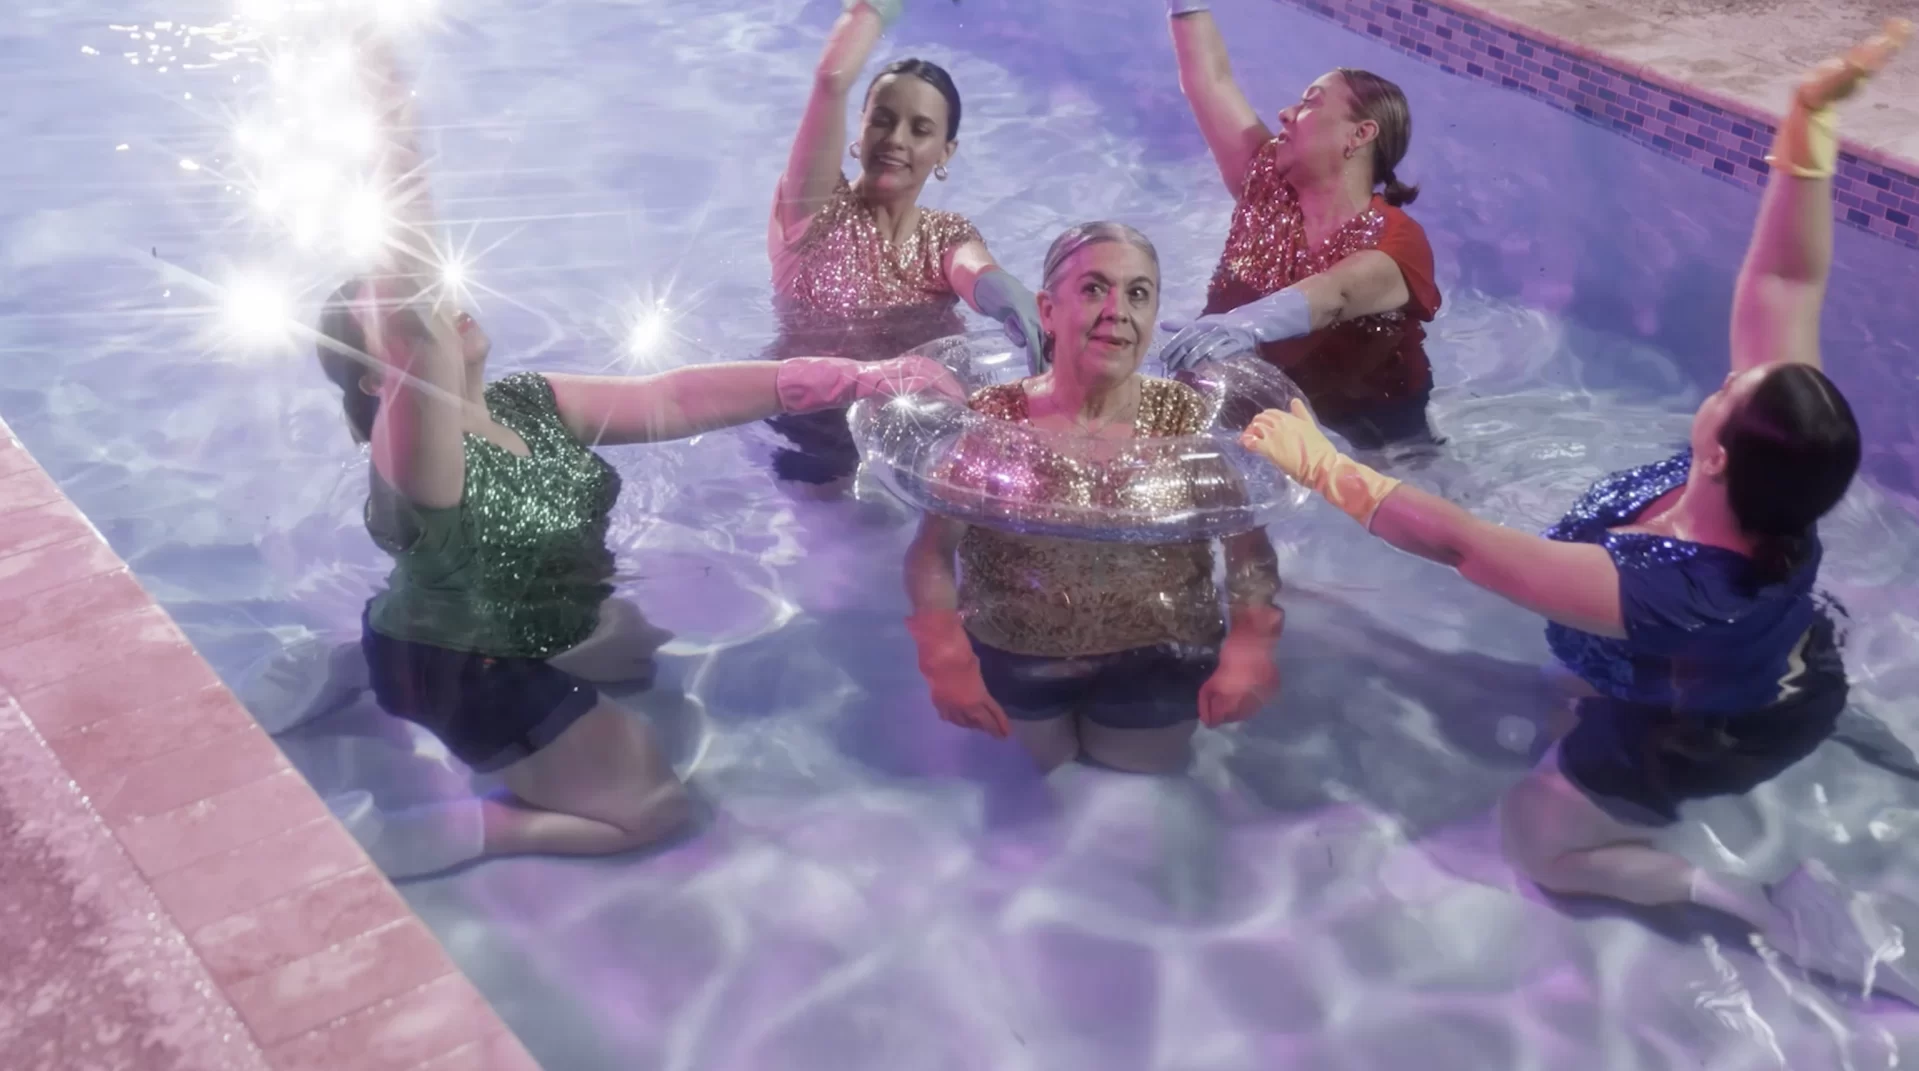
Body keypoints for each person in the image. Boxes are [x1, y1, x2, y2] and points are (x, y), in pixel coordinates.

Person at [1237, 22, 1916, 999]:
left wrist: (1319, 463)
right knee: (1728, 684)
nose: (1732, 372)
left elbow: (1461, 547)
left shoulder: (1671, 591)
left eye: (1732, 387)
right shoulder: (1772, 478)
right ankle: (1842, 723)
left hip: (1699, 724)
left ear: (1716, 452)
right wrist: (1805, 127)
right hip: (1774, 655)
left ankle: (1759, 908)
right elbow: (1781, 280)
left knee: (1539, 838)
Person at [314, 36, 964, 875]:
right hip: (466, 670)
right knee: (657, 807)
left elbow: (678, 397)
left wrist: (855, 374)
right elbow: (405, 301)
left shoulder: (527, 399)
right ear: (386, 382)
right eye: (413, 323)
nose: (444, 306)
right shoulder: (417, 464)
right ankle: (475, 827)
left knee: (633, 650)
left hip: (519, 620)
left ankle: (357, 664)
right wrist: (389, 114)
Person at [904, 223, 1284, 774]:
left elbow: (1248, 550)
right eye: (1092, 289)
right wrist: (943, 656)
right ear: (1048, 310)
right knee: (1027, 797)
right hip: (1019, 656)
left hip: (1160, 656)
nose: (1117, 310)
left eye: (1137, 293)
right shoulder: (996, 420)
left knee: (1128, 805)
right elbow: (932, 553)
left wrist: (1252, 644)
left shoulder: (1184, 422)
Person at [766, 0, 1044, 487]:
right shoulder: (809, 214)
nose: (895, 138)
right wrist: (874, 10)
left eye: (920, 130)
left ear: (945, 152)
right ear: (860, 128)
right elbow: (831, 81)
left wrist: (1011, 300)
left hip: (926, 425)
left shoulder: (946, 234)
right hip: (813, 426)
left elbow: (975, 271)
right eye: (882, 120)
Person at [1157, 0, 1442, 450]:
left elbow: (1335, 294)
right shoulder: (1266, 179)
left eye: (1310, 103)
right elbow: (1209, 83)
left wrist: (1243, 325)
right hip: (1255, 392)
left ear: (1360, 134)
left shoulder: (1397, 241)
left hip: (1369, 421)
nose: (1286, 113)